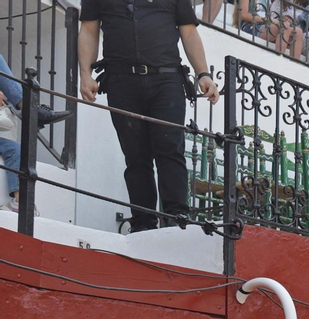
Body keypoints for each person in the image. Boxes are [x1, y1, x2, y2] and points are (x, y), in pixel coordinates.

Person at [77, 0, 219, 231]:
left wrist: (203, 73)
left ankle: (177, 219)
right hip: (121, 81)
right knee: (135, 156)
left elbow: (189, 32)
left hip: (166, 79)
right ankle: (143, 223)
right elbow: (89, 30)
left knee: (170, 150)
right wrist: (86, 74)